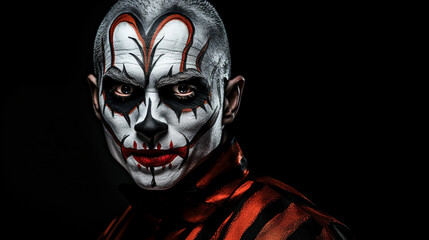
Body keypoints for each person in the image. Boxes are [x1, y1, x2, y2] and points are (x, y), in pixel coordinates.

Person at [87, 0, 354, 239]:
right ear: (96, 99)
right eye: (124, 90)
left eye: (182, 89)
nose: (148, 124)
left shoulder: (292, 232)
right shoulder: (120, 230)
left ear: (229, 101)